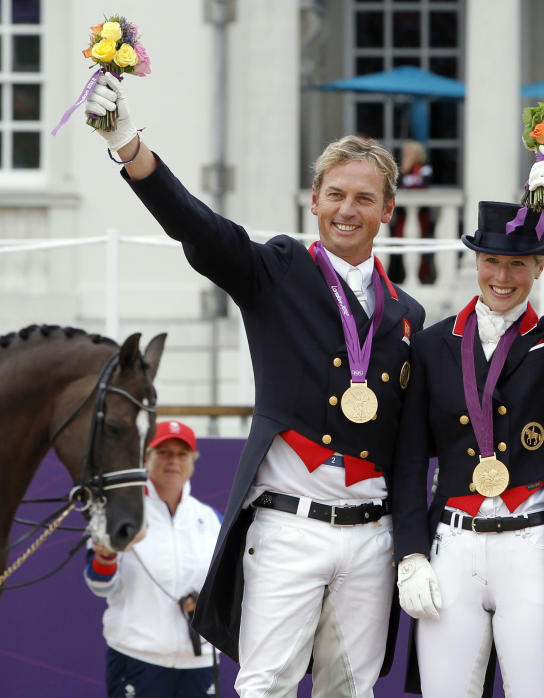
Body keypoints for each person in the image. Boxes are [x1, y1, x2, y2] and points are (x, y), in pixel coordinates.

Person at [85, 73, 426, 697]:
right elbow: (202, 230)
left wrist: (412, 548)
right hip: (289, 527)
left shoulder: (407, 316)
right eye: (336, 195)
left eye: (364, 198)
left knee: (349, 692)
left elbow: (409, 448)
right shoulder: (278, 268)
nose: (348, 210)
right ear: (315, 201)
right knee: (264, 686)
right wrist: (132, 150)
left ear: (387, 211)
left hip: (371, 536)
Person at [392, 146, 544, 696]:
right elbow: (412, 457)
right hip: (452, 544)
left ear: (537, 269)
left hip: (530, 544)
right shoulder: (436, 344)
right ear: (476, 263)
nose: (502, 276)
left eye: (517, 264)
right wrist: (410, 552)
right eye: (491, 261)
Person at [84, 420, 221, 698]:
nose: (173, 461)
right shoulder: (122, 514)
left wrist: (205, 604)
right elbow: (99, 585)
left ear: (192, 462)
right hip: (137, 659)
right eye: (164, 453)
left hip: (200, 661)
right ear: (146, 459)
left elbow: (230, 588)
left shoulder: (209, 519)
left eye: (182, 454)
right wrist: (107, 556)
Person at [388, 140, 437, 285]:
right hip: (403, 214)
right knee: (399, 243)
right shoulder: (400, 169)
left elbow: (425, 182)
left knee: (419, 243)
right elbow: (394, 185)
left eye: (410, 152)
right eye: (406, 152)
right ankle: (398, 275)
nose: (407, 155)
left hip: (420, 213)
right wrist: (404, 170)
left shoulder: (425, 167)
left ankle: (423, 274)